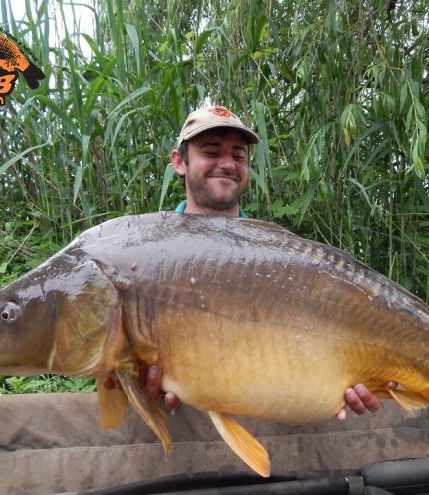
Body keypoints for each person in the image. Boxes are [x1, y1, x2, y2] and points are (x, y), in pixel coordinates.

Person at [107, 105, 395, 420]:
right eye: (212, 151)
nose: (227, 163)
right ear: (179, 161)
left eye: (238, 155)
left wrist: (357, 380)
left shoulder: (283, 261)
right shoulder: (146, 258)